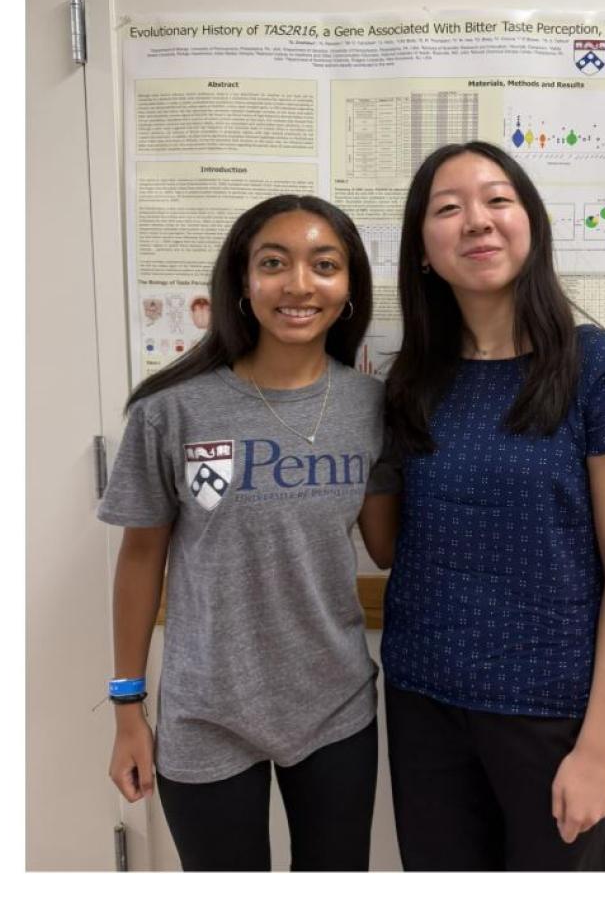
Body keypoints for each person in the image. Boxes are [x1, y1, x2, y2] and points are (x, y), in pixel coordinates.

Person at [97, 195, 399, 872]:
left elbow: (388, 547)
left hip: (335, 705)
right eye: (274, 263)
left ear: (350, 290)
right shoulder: (171, 409)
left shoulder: (371, 407)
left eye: (324, 265)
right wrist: (126, 709)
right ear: (241, 281)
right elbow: (140, 560)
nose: (298, 285)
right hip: (208, 709)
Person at [381, 142, 605, 871]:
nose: (477, 221)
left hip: (551, 713)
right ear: (422, 250)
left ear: (531, 223)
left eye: (498, 200)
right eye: (449, 208)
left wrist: (598, 750)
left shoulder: (596, 367)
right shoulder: (414, 379)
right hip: (423, 704)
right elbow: (391, 543)